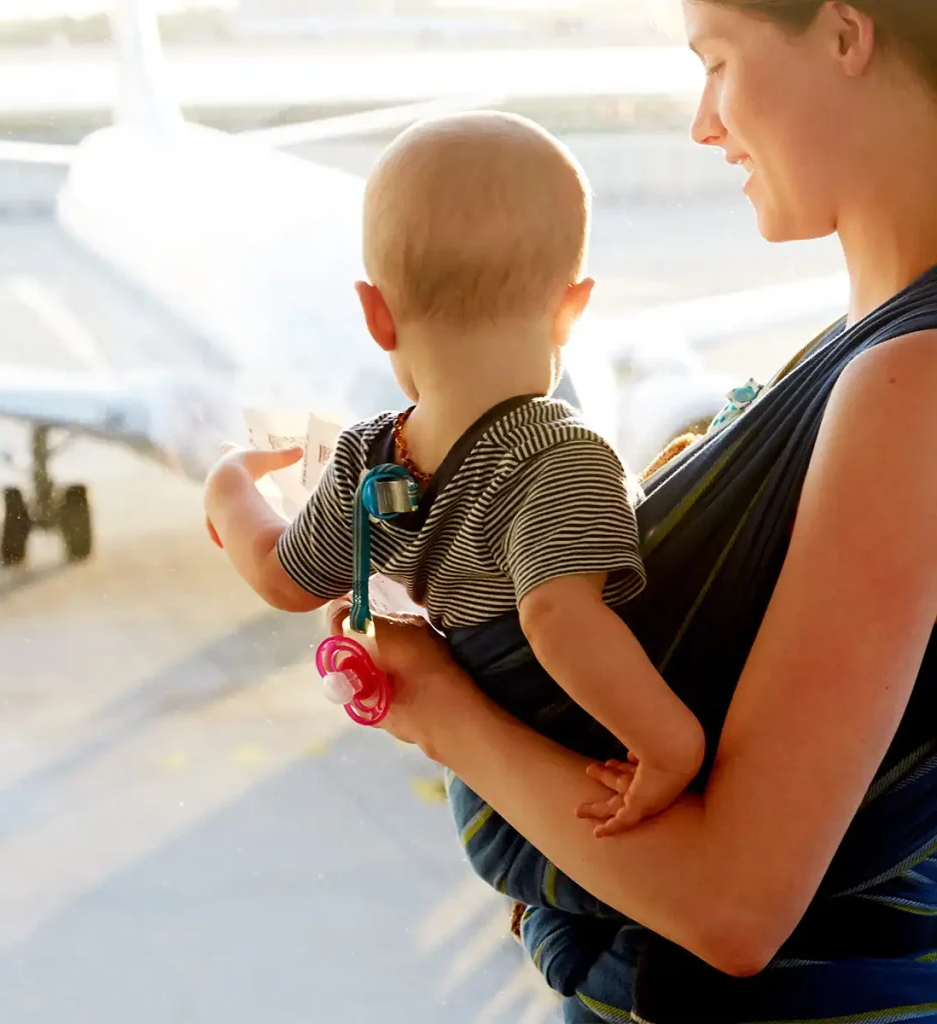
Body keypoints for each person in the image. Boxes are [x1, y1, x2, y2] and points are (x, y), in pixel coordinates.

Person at [317, 2, 937, 1021]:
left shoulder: (905, 384)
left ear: (842, 33)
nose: (704, 122)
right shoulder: (863, 350)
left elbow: (736, 903)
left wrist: (436, 707)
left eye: (719, 62)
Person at [203, 110, 709, 880]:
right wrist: (671, 746)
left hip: (489, 805)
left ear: (377, 315)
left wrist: (229, 486)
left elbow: (279, 574)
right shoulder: (561, 453)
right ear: (572, 306)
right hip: (565, 790)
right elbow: (555, 615)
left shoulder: (367, 457)